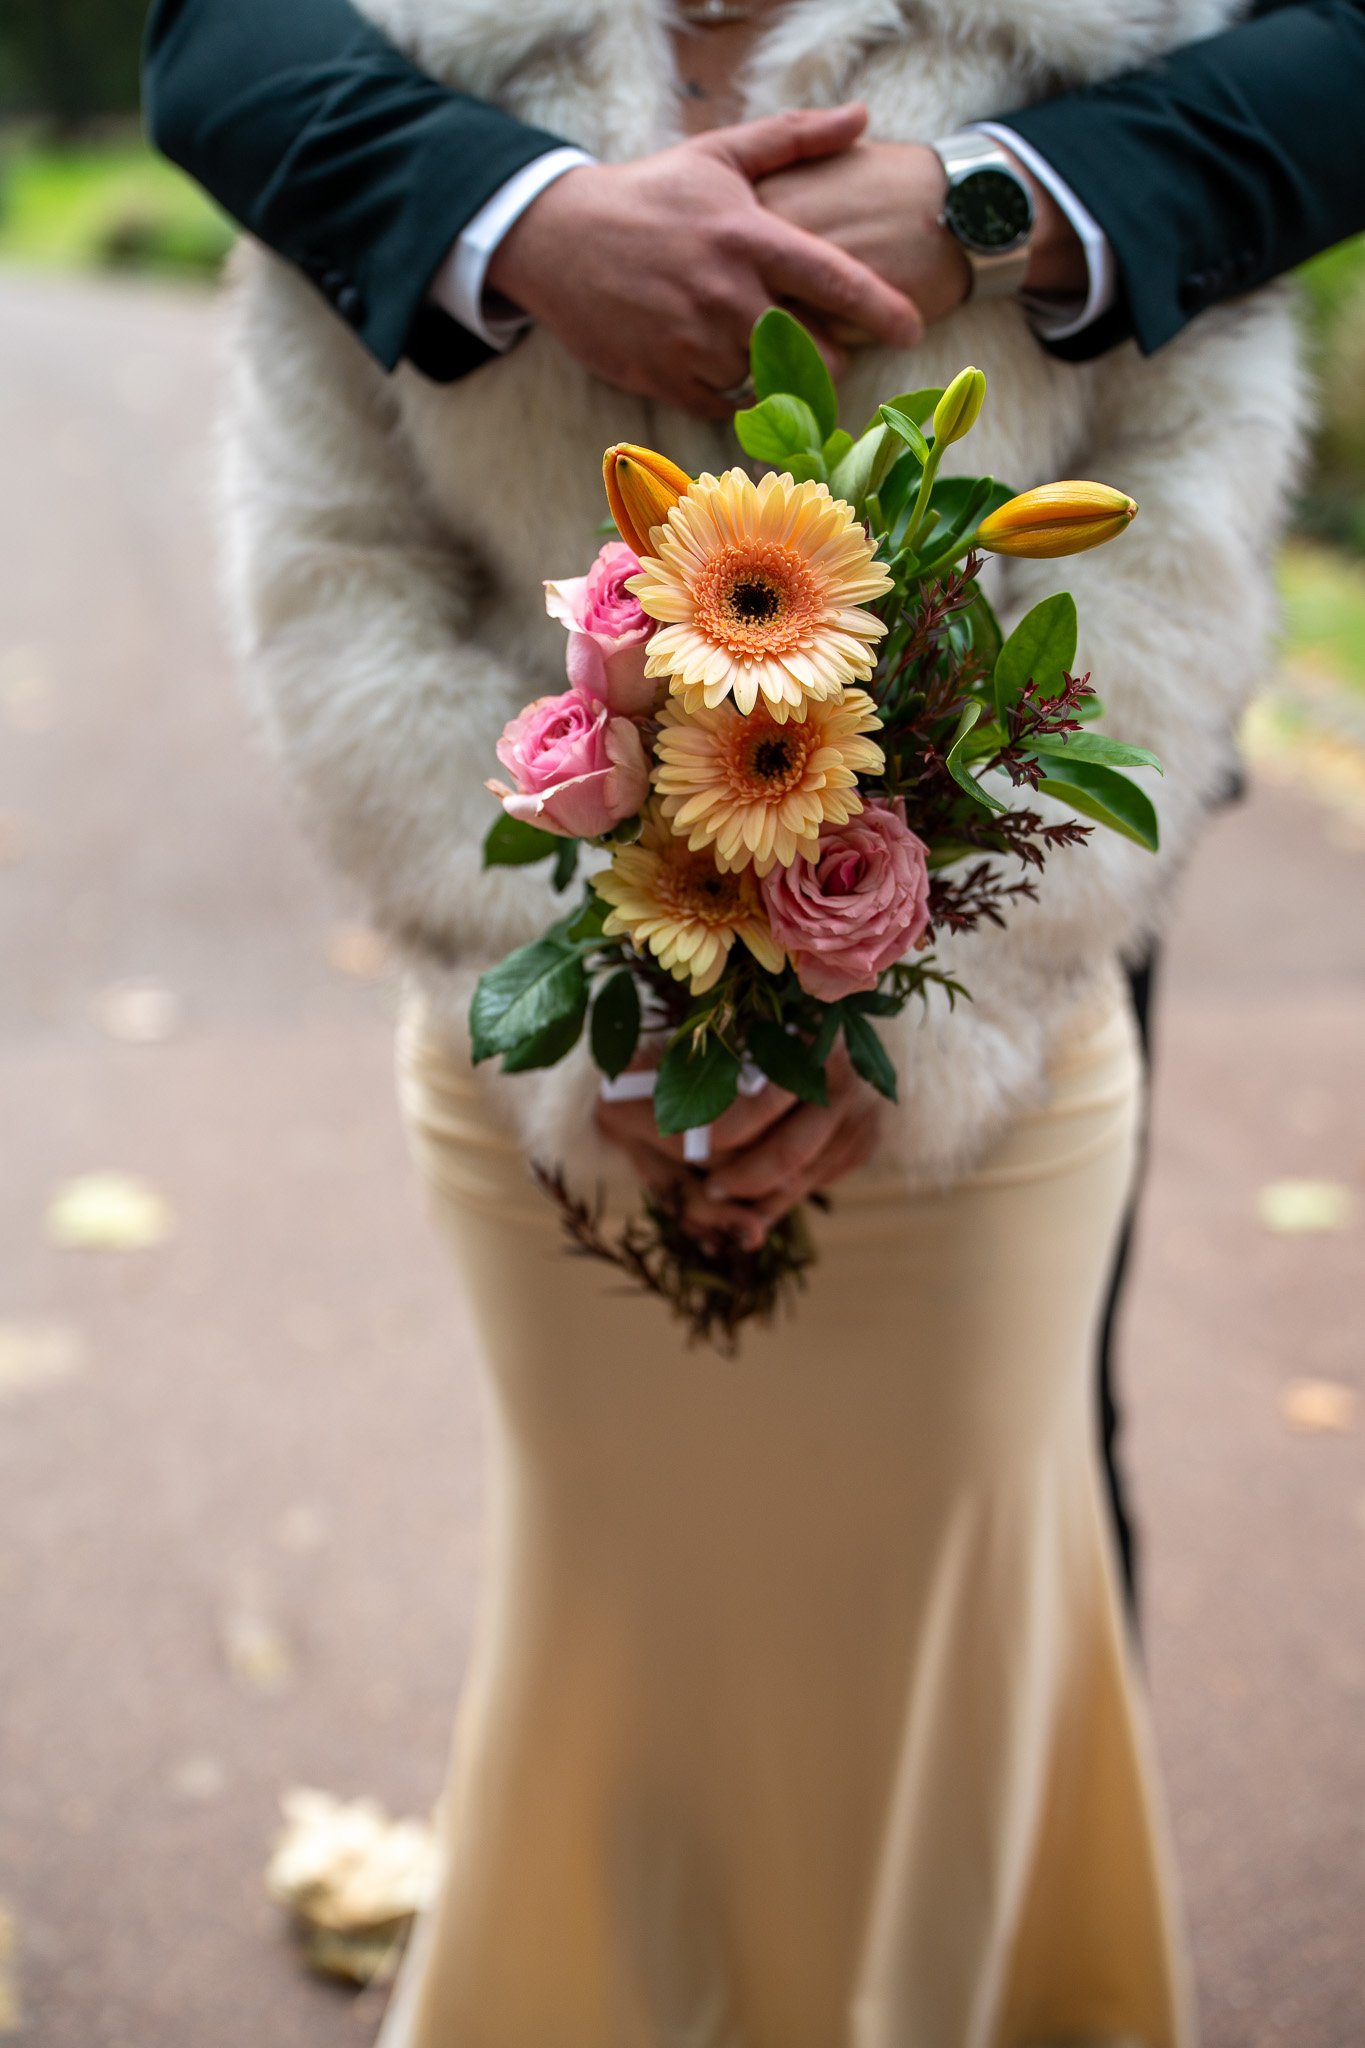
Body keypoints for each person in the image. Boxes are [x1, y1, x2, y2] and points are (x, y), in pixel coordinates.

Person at [181, 0, 1309, 2039]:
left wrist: (913, 993)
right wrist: (610, 989)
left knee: (966, 1646)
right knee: (630, 1661)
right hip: (555, 1081)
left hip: (986, 1073)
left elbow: (1178, 538)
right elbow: (333, 571)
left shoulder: (1106, 42)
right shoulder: (390, 59)